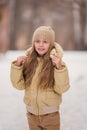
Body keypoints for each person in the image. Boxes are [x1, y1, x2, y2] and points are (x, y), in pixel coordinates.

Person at [10, 26, 70, 130]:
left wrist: (59, 68)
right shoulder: (28, 62)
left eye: (45, 42)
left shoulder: (57, 63)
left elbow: (61, 89)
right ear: (33, 43)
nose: (41, 45)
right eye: (37, 41)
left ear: (51, 44)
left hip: (50, 116)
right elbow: (18, 85)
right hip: (31, 115)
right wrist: (17, 66)